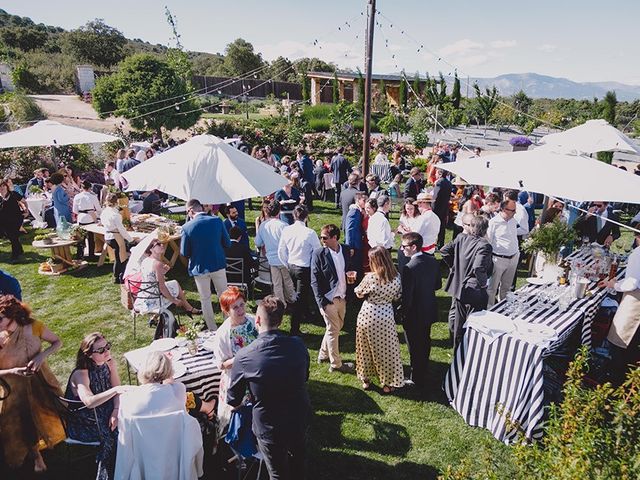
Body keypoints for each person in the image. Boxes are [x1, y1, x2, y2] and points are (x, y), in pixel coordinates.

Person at [227, 295, 311, 480]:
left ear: (257, 320)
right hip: (299, 415)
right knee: (299, 462)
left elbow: (233, 398)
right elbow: (304, 376)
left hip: (269, 424)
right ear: (280, 321)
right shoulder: (298, 345)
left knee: (277, 473)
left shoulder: (244, 356)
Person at [0, 295, 65, 473]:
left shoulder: (34, 326)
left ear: (12, 315)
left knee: (46, 410)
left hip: (40, 379)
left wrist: (41, 356)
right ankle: (36, 455)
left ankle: (50, 439)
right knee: (24, 418)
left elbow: (57, 342)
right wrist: (13, 372)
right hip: (14, 387)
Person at [115, 352, 204, 480]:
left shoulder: (127, 400)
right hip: (175, 461)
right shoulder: (178, 391)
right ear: (169, 371)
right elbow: (173, 386)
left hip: (142, 463)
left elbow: (124, 440)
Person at [65, 332, 129, 480]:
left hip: (104, 411)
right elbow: (89, 402)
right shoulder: (82, 374)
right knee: (120, 434)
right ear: (88, 355)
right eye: (101, 350)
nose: (107, 351)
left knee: (130, 419)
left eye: (107, 347)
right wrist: (114, 391)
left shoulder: (107, 363)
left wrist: (115, 410)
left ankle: (130, 468)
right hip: (85, 422)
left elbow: (116, 388)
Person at [354, 247, 404, 394]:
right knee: (387, 350)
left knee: (365, 349)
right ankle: (388, 383)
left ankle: (366, 379)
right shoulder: (396, 277)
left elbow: (358, 292)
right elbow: (397, 296)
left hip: (368, 316)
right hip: (386, 317)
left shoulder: (370, 278)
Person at [211, 287, 258, 436]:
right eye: (235, 307)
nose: (240, 310)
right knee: (237, 417)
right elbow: (222, 365)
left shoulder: (252, 320)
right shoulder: (223, 333)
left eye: (242, 304)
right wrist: (242, 358)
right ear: (226, 311)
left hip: (256, 375)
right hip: (237, 379)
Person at [441, 215, 493, 347]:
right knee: (473, 323)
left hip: (460, 288)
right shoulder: (484, 245)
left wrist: (454, 267)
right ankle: (469, 351)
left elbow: (444, 251)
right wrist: (483, 283)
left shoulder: (461, 238)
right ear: (485, 229)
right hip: (474, 289)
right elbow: (478, 267)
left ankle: (457, 351)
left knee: (459, 323)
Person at [400, 232, 441, 391]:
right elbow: (437, 285)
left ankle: (416, 377)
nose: (402, 249)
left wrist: (402, 314)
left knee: (414, 347)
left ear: (414, 247)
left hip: (414, 314)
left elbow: (407, 297)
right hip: (428, 308)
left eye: (404, 246)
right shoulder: (432, 261)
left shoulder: (409, 268)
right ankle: (424, 369)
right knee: (425, 342)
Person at [181, 199, 230, 331]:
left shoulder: (186, 227)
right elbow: (227, 243)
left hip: (199, 266)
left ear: (191, 210)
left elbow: (184, 252)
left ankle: (212, 328)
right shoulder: (217, 221)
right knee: (224, 295)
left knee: (205, 298)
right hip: (217, 263)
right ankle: (227, 325)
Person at [311, 224, 354, 373]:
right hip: (328, 299)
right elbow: (314, 280)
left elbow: (348, 268)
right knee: (334, 329)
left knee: (335, 327)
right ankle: (336, 364)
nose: (321, 240)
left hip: (342, 296)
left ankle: (323, 354)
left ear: (335, 238)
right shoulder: (318, 254)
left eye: (324, 237)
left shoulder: (346, 250)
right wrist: (321, 302)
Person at [599, 227, 640, 385]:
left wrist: (613, 285)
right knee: (632, 348)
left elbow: (632, 283)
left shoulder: (638, 253)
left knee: (620, 343)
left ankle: (615, 384)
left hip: (634, 304)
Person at [278, 205, 321, 336]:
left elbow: (281, 250)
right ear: (306, 217)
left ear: (294, 216)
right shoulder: (310, 233)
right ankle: (294, 329)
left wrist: (286, 263)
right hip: (303, 267)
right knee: (299, 298)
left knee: (302, 294)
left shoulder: (287, 230)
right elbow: (317, 251)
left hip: (291, 265)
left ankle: (306, 313)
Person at [135, 239, 200, 315]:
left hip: (145, 295)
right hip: (155, 297)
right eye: (158, 244)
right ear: (151, 249)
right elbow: (162, 287)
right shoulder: (157, 264)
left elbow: (150, 277)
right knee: (175, 284)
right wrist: (174, 301)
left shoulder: (145, 261)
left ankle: (187, 306)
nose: (162, 245)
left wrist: (163, 272)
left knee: (174, 283)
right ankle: (188, 308)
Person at [255, 201, 297, 308]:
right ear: (279, 211)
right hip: (283, 258)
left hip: (271, 259)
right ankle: (292, 298)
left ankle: (281, 303)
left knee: (277, 283)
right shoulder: (284, 225)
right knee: (287, 280)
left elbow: (257, 242)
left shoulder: (263, 225)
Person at [486, 199, 526, 307]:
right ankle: (489, 309)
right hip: (498, 259)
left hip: (513, 258)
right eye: (512, 210)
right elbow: (488, 242)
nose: (514, 213)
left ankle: (503, 308)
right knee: (492, 288)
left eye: (515, 210)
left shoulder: (513, 220)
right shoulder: (494, 222)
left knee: (507, 287)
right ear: (503, 209)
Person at [100, 193, 134, 284]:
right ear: (116, 202)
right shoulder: (115, 215)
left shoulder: (104, 212)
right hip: (115, 237)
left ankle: (118, 276)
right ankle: (120, 277)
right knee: (121, 258)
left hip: (108, 236)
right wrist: (130, 239)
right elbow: (121, 230)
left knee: (118, 257)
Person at [73, 180, 102, 261]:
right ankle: (91, 254)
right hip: (90, 217)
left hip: (81, 217)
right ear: (90, 188)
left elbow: (75, 210)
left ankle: (80, 255)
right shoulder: (93, 196)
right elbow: (98, 208)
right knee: (91, 237)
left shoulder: (77, 196)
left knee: (81, 238)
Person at [0, 179, 25, 260]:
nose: (2, 188)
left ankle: (15, 255)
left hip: (16, 218)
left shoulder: (13, 194)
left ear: (6, 187)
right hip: (4, 221)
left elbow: (23, 201)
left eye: (3, 186)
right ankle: (20, 250)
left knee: (13, 236)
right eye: (0, 187)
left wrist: (26, 210)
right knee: (12, 237)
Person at [344, 192, 368, 275]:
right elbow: (349, 230)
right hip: (354, 246)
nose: (366, 202)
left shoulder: (359, 211)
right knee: (355, 267)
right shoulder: (354, 211)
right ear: (358, 200)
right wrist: (350, 247)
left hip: (358, 244)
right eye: (364, 200)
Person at [396, 198, 422, 271]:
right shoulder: (403, 216)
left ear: (415, 208)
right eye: (407, 209)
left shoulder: (419, 218)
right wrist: (403, 230)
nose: (409, 211)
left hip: (412, 247)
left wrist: (404, 231)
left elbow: (414, 236)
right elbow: (400, 227)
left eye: (411, 209)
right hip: (404, 244)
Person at [432, 168, 453, 247]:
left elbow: (435, 196)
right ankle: (441, 243)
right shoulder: (449, 183)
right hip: (445, 206)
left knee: (435, 225)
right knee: (442, 226)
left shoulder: (439, 182)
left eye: (436, 173)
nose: (435, 175)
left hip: (437, 207)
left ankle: (434, 242)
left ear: (440, 174)